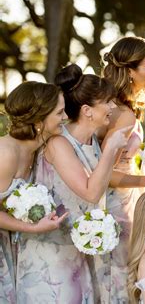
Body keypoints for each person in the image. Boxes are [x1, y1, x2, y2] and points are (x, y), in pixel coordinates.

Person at [15, 64, 130, 303]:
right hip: (51, 252)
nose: (112, 107)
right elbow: (91, 193)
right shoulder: (59, 144)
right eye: (108, 102)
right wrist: (110, 151)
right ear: (87, 110)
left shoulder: (92, 140)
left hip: (78, 250)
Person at [102, 36, 145, 302]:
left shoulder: (123, 108)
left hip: (127, 202)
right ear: (130, 72)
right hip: (117, 207)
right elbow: (105, 174)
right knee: (120, 279)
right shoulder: (123, 115)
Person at [0, 82, 69, 303]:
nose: (66, 117)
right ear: (39, 121)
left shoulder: (40, 148)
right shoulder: (6, 154)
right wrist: (31, 227)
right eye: (59, 112)